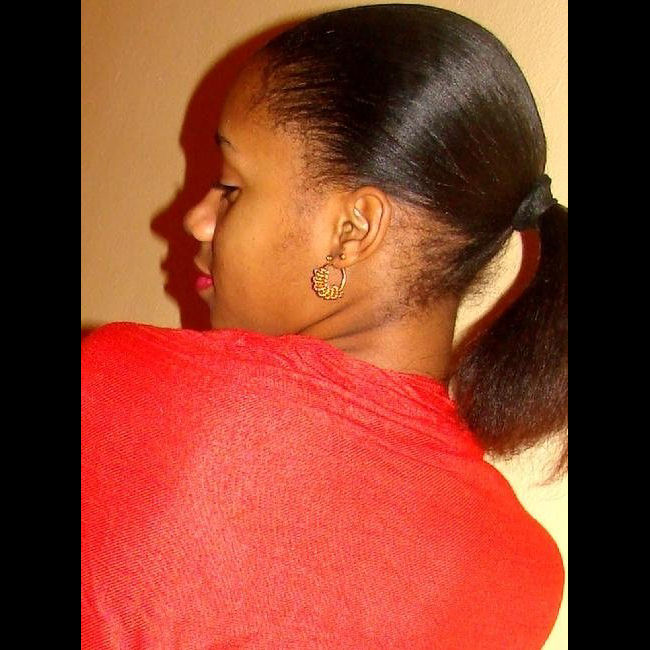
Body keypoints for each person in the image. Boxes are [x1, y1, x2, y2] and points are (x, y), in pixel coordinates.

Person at [81, 3, 567, 648]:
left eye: (231, 187)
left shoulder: (122, 392)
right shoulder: (525, 575)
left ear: (351, 232)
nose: (197, 220)